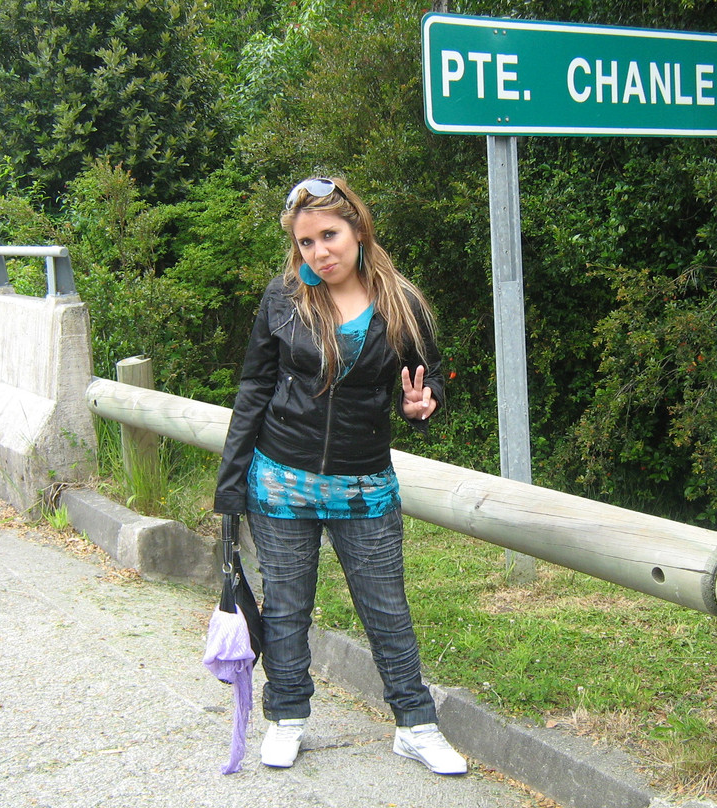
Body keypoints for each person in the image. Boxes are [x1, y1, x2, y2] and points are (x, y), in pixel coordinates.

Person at [213, 176, 467, 775]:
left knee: (387, 611)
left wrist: (422, 403)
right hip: (281, 480)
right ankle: (287, 717)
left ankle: (416, 724)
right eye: (305, 243)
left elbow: (426, 381)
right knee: (286, 609)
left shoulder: (401, 304)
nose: (319, 252)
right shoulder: (284, 300)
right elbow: (254, 388)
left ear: (358, 230)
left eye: (329, 235)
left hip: (364, 485)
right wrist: (231, 484)